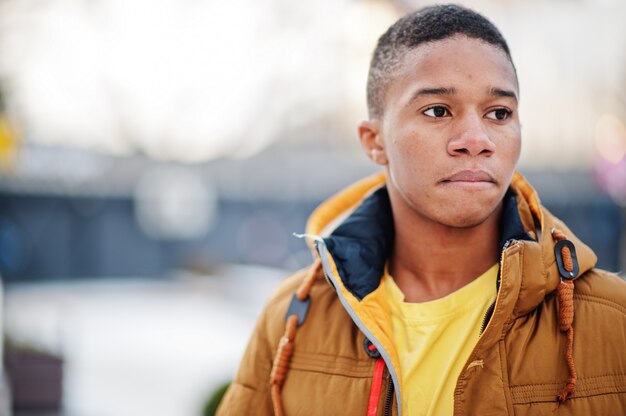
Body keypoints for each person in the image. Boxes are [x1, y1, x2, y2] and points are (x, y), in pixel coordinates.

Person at [217, 4, 626, 415]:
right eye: (438, 111)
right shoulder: (292, 320)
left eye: (499, 113)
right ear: (374, 141)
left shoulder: (613, 322)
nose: (476, 139)